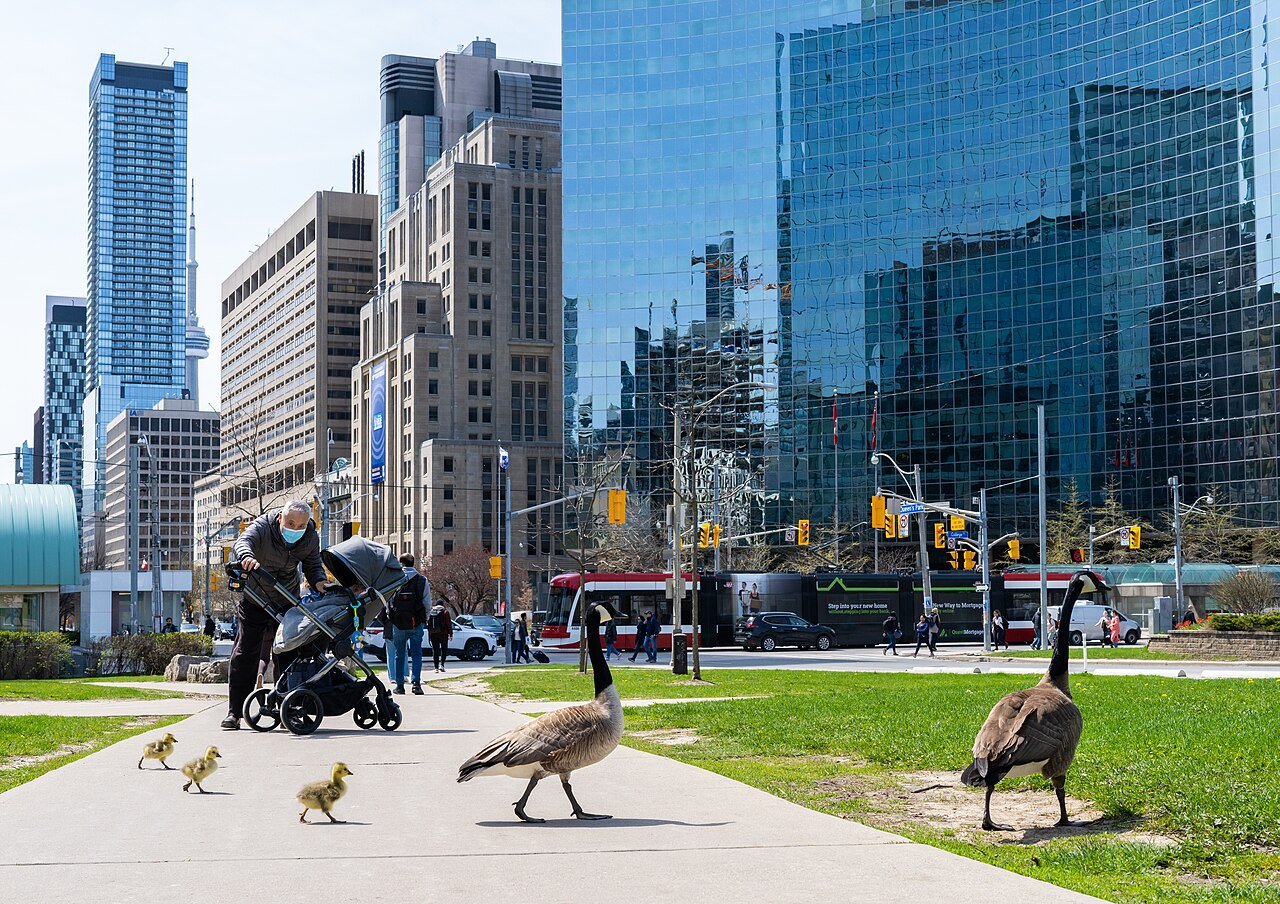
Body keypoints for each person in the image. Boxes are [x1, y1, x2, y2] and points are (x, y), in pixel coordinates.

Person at [224, 500, 330, 730]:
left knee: (288, 653)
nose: (295, 528)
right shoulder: (263, 526)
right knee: (246, 652)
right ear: (281, 518)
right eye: (290, 523)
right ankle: (235, 712)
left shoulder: (311, 536)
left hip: (286, 598)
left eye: (300, 525)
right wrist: (247, 557)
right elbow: (243, 542)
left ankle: (287, 709)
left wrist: (319, 582)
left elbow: (313, 564)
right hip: (256, 596)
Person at [386, 554, 429, 694]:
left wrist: (391, 616)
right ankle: (416, 683)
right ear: (413, 563)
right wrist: (424, 618)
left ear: (401, 563)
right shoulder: (422, 580)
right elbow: (427, 603)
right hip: (416, 622)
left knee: (399, 654)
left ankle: (400, 685)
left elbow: (388, 601)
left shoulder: (395, 580)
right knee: (416, 653)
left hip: (398, 624)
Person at [427, 600, 454, 672]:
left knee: (435, 650)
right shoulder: (445, 612)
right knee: (444, 649)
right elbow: (449, 624)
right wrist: (451, 634)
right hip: (443, 634)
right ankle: (442, 665)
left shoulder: (431, 612)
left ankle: (436, 667)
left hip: (433, 634)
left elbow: (428, 623)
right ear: (442, 605)